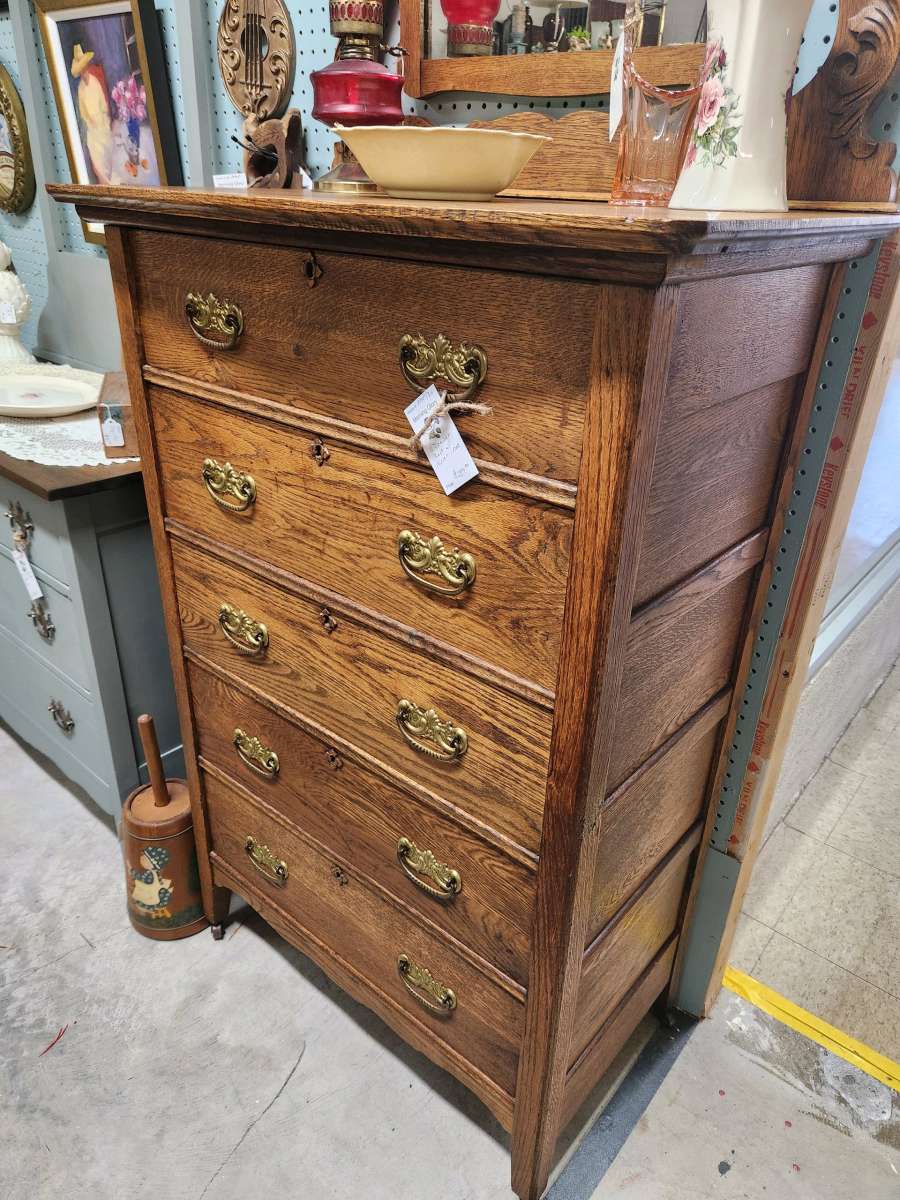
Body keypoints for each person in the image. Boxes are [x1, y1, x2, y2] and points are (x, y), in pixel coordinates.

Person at [70, 43, 113, 184]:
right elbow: (82, 110)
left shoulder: (94, 82)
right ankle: (104, 181)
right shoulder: (80, 89)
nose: (83, 73)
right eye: (81, 71)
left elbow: (102, 100)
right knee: (95, 151)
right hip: (92, 125)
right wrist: (90, 120)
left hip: (102, 120)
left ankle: (110, 177)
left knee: (107, 148)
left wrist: (104, 117)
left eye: (84, 69)